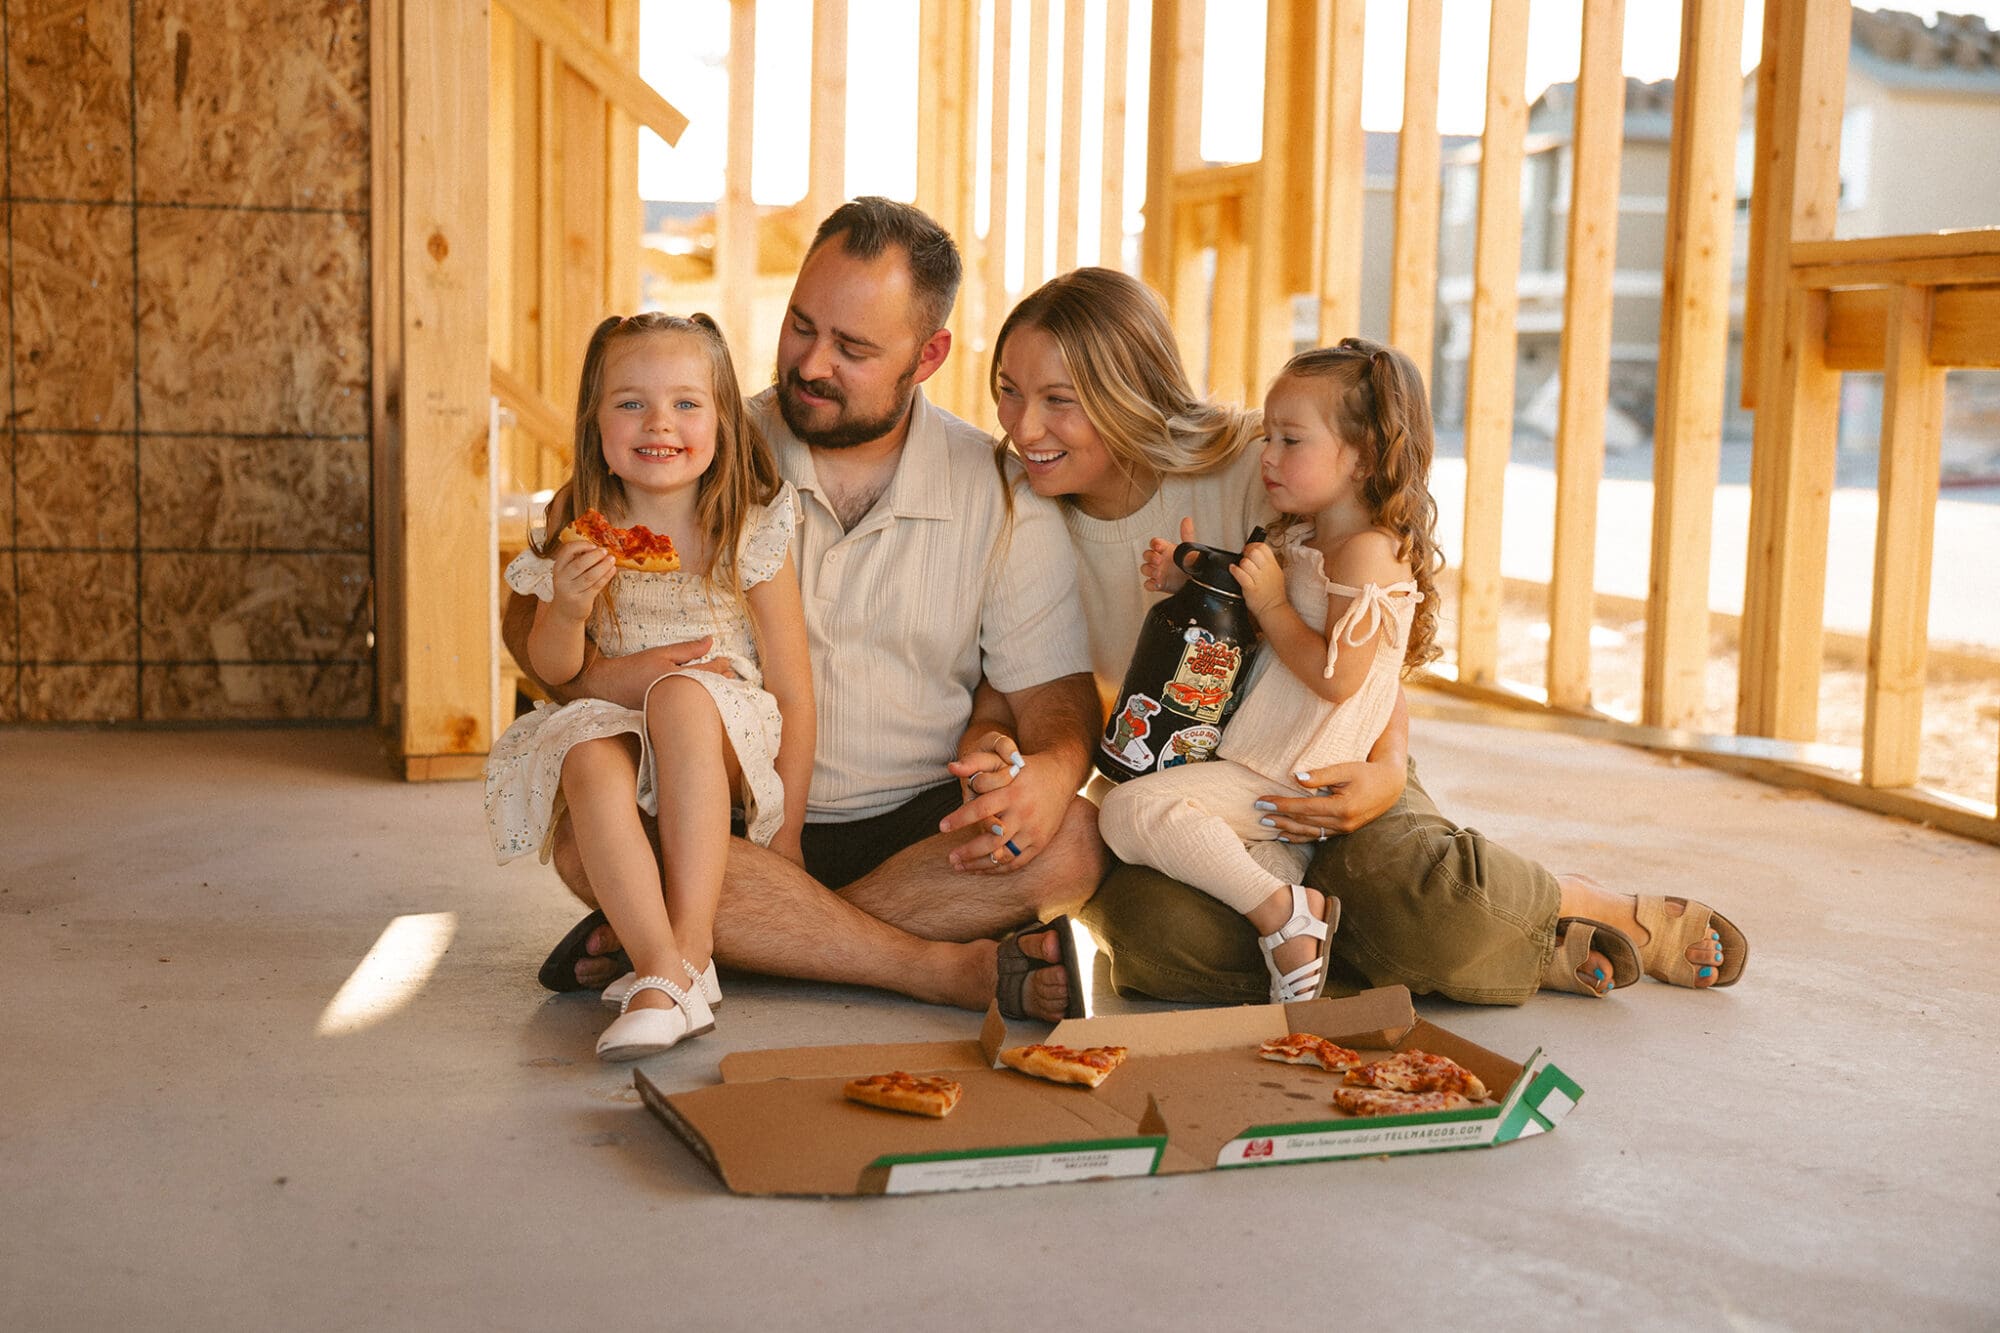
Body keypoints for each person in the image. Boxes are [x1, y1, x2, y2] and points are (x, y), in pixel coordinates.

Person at [965, 267, 1748, 1005]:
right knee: (1159, 941)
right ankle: (1413, 947)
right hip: (1184, 784)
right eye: (1007, 391)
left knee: (1408, 888)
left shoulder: (1256, 459)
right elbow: (1007, 677)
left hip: (1330, 750)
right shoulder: (1010, 510)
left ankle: (1555, 909)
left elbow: (1368, 616)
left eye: (1058, 400)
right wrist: (998, 745)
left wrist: (1387, 762)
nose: (1023, 426)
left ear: (1127, 393)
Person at [502, 199, 1104, 1026]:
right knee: (585, 834)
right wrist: (620, 673)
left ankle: (702, 936)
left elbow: (1057, 699)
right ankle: (923, 966)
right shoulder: (695, 430)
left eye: (853, 348)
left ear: (927, 356)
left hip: (909, 820)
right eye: (800, 326)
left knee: (1074, 837)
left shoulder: (997, 490)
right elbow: (533, 607)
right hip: (720, 809)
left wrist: (1053, 773)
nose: (812, 363)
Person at [485, 312, 812, 1060]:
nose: (659, 423)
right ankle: (660, 965)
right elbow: (558, 668)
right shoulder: (580, 518)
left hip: (720, 729)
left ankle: (690, 956)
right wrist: (567, 606)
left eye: (687, 403)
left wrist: (786, 831)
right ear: (594, 420)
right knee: (584, 752)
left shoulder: (747, 521)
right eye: (630, 402)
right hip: (618, 725)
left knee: (681, 692)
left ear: (724, 420)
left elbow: (793, 686)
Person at [1097, 340, 1440, 1004]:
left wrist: (1272, 600)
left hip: (1294, 768)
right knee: (1253, 866)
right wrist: (1187, 576)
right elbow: (1262, 616)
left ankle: (1285, 917)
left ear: (1363, 456)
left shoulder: (1369, 552)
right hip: (1266, 759)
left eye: (1291, 440)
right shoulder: (1305, 537)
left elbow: (1337, 675)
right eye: (1267, 437)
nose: (1269, 457)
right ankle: (1291, 930)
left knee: (1127, 810)